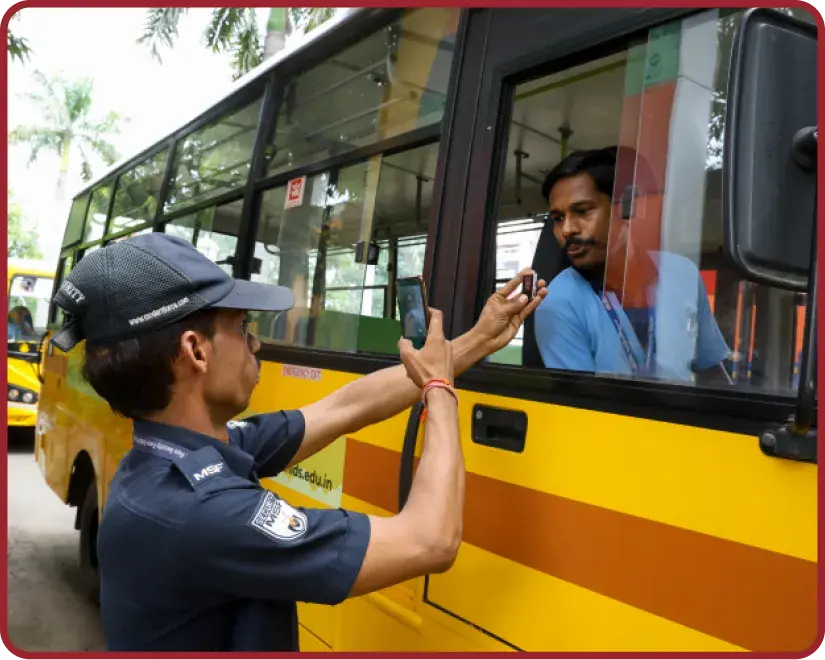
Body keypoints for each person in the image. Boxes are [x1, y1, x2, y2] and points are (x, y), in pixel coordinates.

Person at [48, 233, 547, 651]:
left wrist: (475, 342)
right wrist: (440, 391)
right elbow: (430, 540)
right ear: (195, 351)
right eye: (242, 329)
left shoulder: (174, 455)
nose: (255, 343)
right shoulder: (204, 514)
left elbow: (343, 407)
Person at [533, 146, 731, 385]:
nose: (567, 230)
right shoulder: (559, 303)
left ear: (625, 209)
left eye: (583, 211)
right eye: (558, 218)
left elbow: (712, 373)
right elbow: (583, 410)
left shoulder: (683, 274)